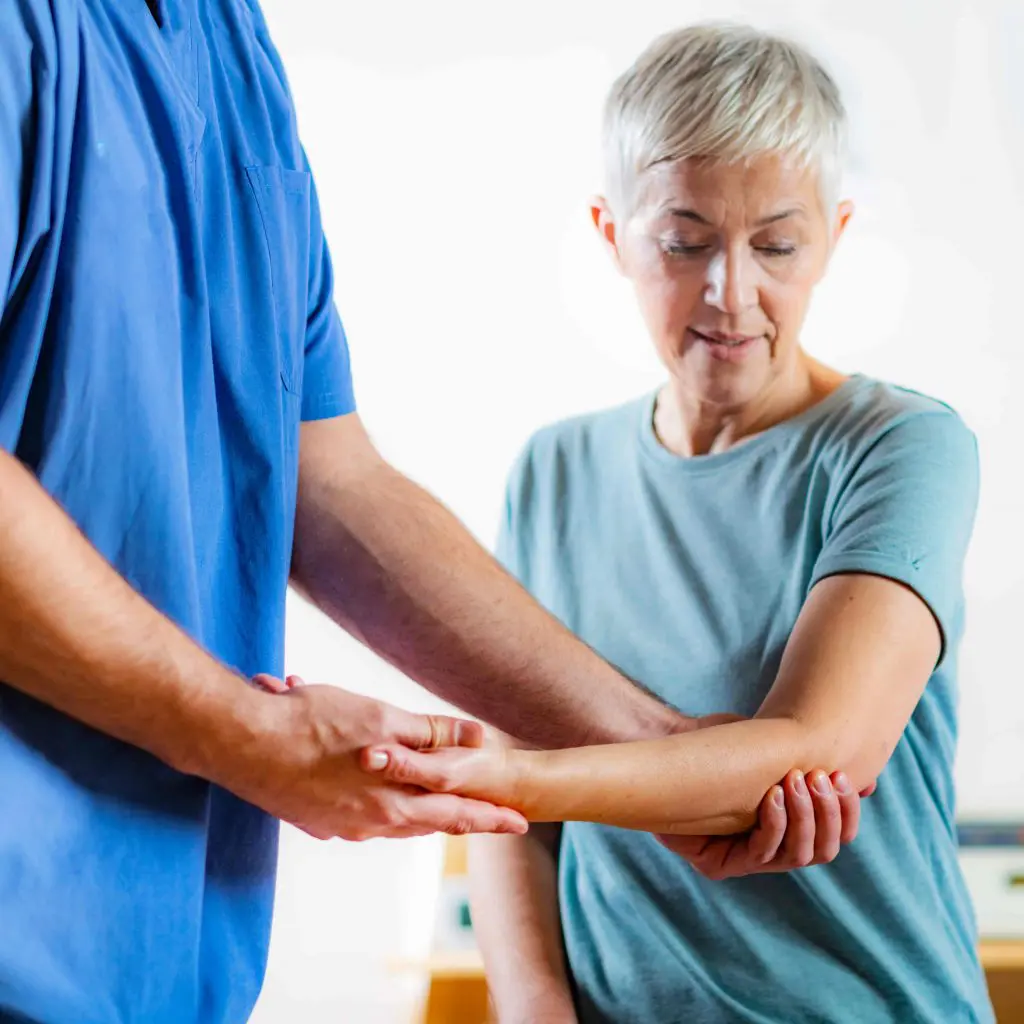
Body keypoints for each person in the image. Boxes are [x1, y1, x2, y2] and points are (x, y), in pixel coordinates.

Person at [0, 4, 863, 1023]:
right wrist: (242, 734)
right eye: (683, 239)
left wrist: (660, 753)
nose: (728, 289)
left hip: (168, 961)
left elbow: (332, 481)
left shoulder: (233, 53)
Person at [365, 22, 994, 1024]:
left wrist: (515, 773)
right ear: (612, 233)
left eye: (776, 245)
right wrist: (536, 1008)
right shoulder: (555, 470)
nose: (729, 293)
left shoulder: (901, 447)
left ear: (832, 234)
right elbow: (512, 822)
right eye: (684, 240)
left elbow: (814, 749)